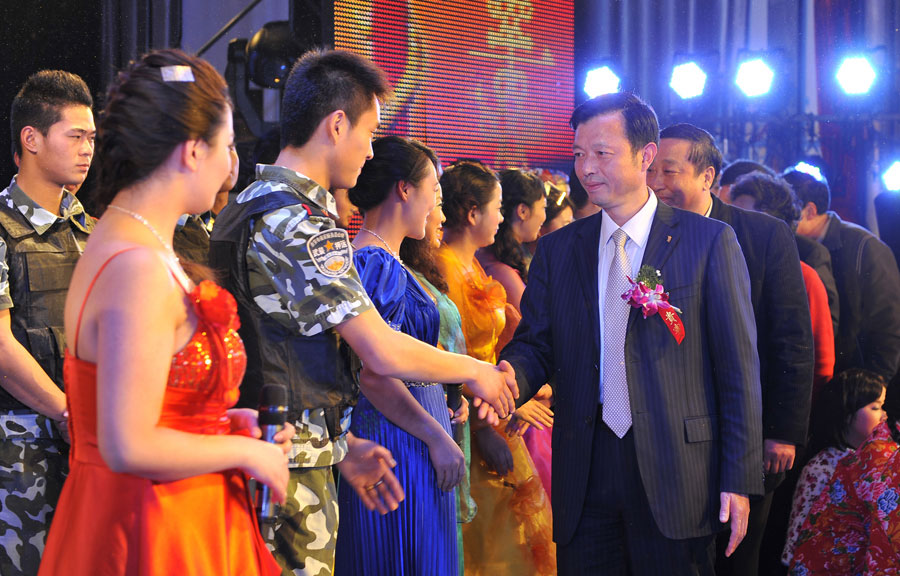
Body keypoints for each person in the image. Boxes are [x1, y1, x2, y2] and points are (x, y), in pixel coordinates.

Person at [209, 49, 517, 576]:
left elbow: (283, 347)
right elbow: (379, 348)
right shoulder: (300, 221)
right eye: (369, 132)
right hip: (289, 459)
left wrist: (344, 443)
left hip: (274, 442)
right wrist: (474, 370)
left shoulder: (250, 203)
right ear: (336, 125)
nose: (370, 150)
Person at [38, 49, 293, 575]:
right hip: (153, 523)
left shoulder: (130, 242)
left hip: (162, 509)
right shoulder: (137, 265)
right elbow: (128, 443)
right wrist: (248, 454)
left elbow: (153, 404)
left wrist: (223, 424)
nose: (230, 166)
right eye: (227, 145)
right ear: (193, 151)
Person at [500, 93, 763, 575]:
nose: (586, 168)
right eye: (579, 154)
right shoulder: (558, 250)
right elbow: (536, 343)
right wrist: (506, 376)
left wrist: (739, 477)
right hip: (586, 464)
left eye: (602, 153)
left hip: (677, 469)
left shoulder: (707, 241)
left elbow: (738, 367)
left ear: (646, 156)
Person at [649, 123, 814, 576]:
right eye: (650, 170)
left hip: (748, 433)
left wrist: (782, 430)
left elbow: (791, 338)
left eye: (669, 171)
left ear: (707, 176)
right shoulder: (645, 237)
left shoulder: (762, 234)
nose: (656, 182)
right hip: (672, 434)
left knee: (737, 556)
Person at [334, 135, 466, 575]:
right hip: (398, 436)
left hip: (412, 427)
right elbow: (374, 371)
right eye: (433, 191)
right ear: (404, 189)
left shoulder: (385, 260)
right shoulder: (376, 263)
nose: (435, 206)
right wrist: (435, 434)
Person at [438, 161, 556, 576]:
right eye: (497, 208)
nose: (502, 218)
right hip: (474, 419)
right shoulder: (444, 269)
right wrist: (485, 428)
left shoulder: (471, 264)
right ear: (473, 213)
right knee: (490, 545)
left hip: (496, 407)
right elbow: (450, 358)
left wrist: (516, 393)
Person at [0, 69, 95, 575]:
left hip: (92, 449)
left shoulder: (94, 231)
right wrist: (66, 413)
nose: (87, 149)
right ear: (31, 139)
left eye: (92, 137)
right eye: (75, 136)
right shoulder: (1, 230)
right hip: (19, 458)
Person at [398, 167, 477, 575]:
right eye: (436, 200)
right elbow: (381, 364)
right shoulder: (380, 267)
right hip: (411, 428)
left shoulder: (419, 270)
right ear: (405, 192)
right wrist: (471, 374)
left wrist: (456, 391)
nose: (441, 215)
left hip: (442, 415)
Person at [476, 169, 555, 498]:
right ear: (522, 211)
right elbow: (540, 332)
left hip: (510, 394)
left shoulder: (495, 264)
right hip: (507, 398)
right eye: (543, 207)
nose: (545, 217)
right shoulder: (500, 271)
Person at [785, 168, 900, 383]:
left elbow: (888, 326)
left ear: (809, 211)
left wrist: (875, 385)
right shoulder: (796, 247)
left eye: (787, 211)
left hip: (859, 382)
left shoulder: (864, 247)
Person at [729, 172, 834, 393]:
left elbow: (821, 365)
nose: (734, 227)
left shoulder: (805, 277)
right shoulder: (724, 266)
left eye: (745, 220)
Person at [781, 369, 887, 567]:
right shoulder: (821, 468)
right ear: (847, 414)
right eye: (876, 407)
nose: (884, 416)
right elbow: (798, 536)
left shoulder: (876, 462)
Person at [173, 142, 239, 264]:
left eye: (232, 147)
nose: (231, 158)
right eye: (225, 148)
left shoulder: (240, 219)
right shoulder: (176, 224)